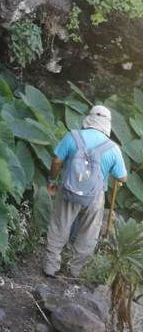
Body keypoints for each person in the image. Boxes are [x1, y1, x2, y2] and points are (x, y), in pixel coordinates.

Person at [44, 105, 127, 278]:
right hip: (95, 197)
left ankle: (51, 268)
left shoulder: (72, 136)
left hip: (68, 190)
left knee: (59, 226)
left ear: (89, 118)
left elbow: (57, 161)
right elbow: (122, 177)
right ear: (107, 124)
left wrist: (52, 180)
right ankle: (75, 272)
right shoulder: (113, 148)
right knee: (88, 234)